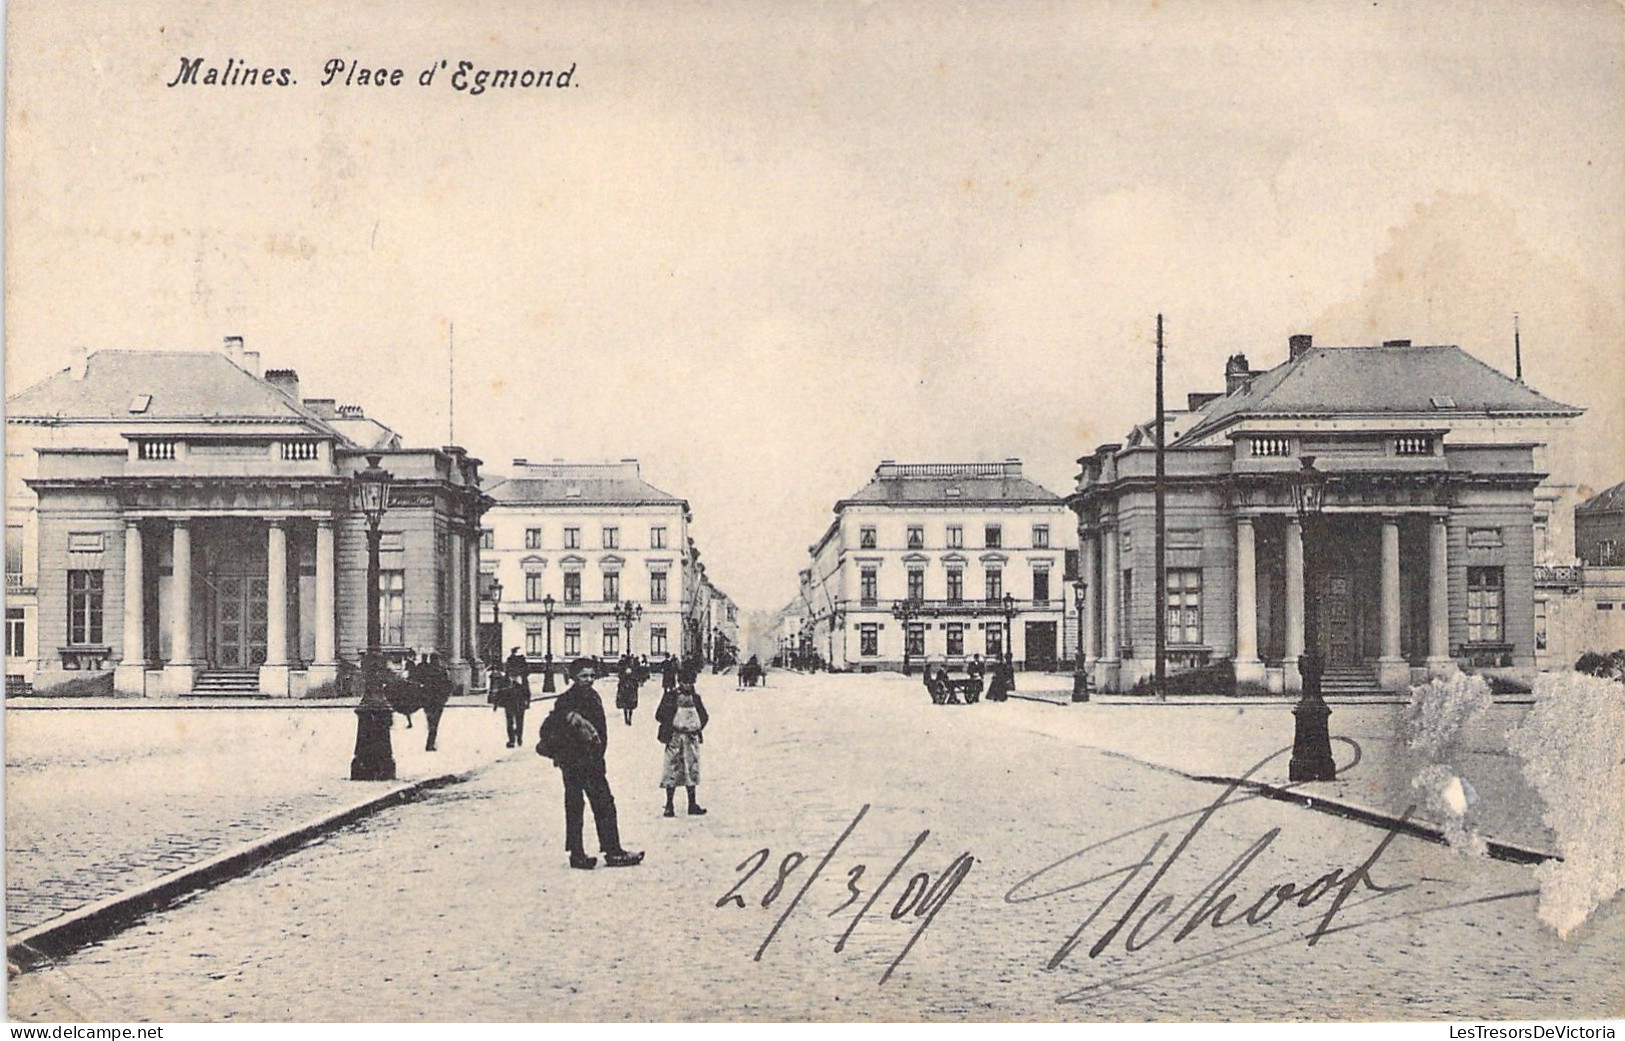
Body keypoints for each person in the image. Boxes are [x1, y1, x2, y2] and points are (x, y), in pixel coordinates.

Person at [539, 658, 643, 870]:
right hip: (575, 762)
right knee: (579, 806)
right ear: (573, 677)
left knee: (601, 804)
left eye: (592, 676)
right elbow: (558, 731)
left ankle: (609, 850)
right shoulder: (566, 701)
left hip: (592, 761)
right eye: (583, 676)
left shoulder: (593, 696)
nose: (588, 680)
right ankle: (581, 853)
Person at [655, 676, 709, 817]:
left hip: (691, 738)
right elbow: (659, 715)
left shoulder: (695, 698)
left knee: (691, 769)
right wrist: (671, 724)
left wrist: (695, 727)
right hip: (675, 737)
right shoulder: (670, 696)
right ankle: (669, 805)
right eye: (685, 682)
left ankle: (692, 804)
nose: (688, 685)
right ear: (680, 682)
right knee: (671, 769)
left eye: (691, 682)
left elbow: (704, 716)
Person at [491, 662, 530, 748]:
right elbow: (499, 692)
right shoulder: (505, 680)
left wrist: (527, 702)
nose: (513, 674)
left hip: (520, 704)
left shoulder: (523, 680)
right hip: (509, 704)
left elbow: (527, 692)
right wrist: (496, 704)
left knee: (519, 722)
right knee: (509, 723)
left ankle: (519, 737)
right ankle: (511, 740)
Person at [616, 657, 641, 726]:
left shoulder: (632, 674)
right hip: (626, 691)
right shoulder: (623, 675)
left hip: (630, 692)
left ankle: (628, 719)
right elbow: (620, 684)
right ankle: (627, 719)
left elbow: (636, 683)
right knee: (626, 706)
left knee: (629, 707)